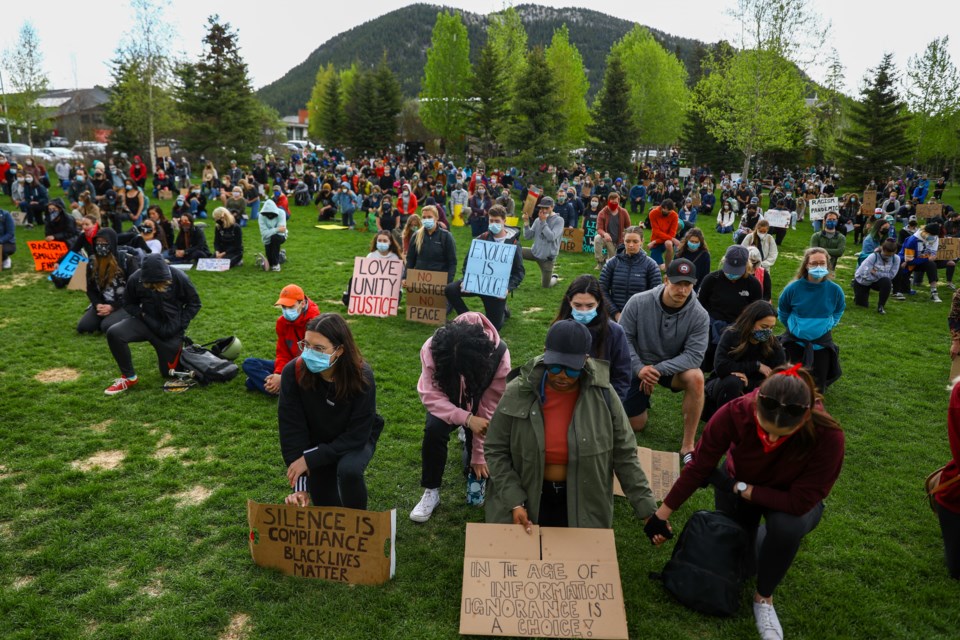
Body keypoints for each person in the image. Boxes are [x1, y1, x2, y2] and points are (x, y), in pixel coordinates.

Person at [648, 365, 844, 640]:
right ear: (755, 409)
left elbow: (800, 501)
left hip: (788, 502)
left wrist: (739, 488)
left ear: (806, 417)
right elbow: (699, 466)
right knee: (745, 565)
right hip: (738, 487)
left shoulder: (829, 436)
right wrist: (661, 514)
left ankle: (763, 599)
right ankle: (760, 542)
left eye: (782, 434)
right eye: (766, 431)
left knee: (785, 529)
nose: (772, 439)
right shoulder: (735, 411)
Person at [484, 319, 657, 530]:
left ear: (585, 360)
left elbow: (625, 454)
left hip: (583, 500)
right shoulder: (518, 391)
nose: (563, 376)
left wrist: (647, 510)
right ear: (545, 352)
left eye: (572, 370)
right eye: (555, 367)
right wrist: (514, 500)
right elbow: (495, 449)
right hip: (528, 496)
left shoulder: (604, 395)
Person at [410, 313, 510, 523]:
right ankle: (431, 491)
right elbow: (429, 394)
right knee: (434, 429)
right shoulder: (433, 348)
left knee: (475, 467)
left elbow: (489, 407)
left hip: (479, 401)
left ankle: (469, 446)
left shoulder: (499, 356)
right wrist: (465, 418)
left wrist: (479, 455)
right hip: (447, 401)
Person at [279, 313, 382, 509]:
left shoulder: (362, 377)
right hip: (318, 440)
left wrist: (312, 458)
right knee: (325, 505)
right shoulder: (292, 373)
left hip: (355, 438)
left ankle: (358, 523)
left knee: (349, 471)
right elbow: (291, 430)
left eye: (318, 348)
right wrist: (300, 486)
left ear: (340, 350)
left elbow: (357, 434)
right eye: (306, 345)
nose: (309, 353)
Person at [619, 258, 709, 461]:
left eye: (688, 284)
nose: (683, 290)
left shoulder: (700, 315)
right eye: (678, 283)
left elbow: (695, 355)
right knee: (636, 424)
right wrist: (639, 368)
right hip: (638, 365)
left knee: (696, 377)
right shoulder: (638, 301)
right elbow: (623, 339)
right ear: (666, 279)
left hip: (671, 368)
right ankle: (641, 403)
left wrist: (656, 370)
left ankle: (688, 445)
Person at [103, 254, 202, 395]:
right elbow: (128, 303)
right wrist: (142, 315)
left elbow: (195, 303)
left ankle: (177, 349)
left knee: (169, 374)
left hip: (170, 328)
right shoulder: (135, 278)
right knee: (114, 332)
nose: (157, 287)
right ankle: (129, 377)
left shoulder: (179, 277)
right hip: (145, 322)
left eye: (160, 284)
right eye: (152, 285)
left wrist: (180, 324)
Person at [445, 205, 524, 330]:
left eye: (497, 221)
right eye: (491, 220)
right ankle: (467, 319)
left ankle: (503, 310)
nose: (493, 224)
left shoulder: (513, 243)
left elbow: (519, 272)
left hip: (496, 290)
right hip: (476, 284)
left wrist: (507, 288)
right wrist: (467, 280)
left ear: (504, 221)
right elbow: (468, 263)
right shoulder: (481, 239)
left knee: (494, 327)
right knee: (450, 289)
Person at [554, 276, 632, 401]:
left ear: (599, 303)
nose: (583, 311)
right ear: (569, 302)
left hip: (601, 398)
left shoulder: (615, 332)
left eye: (590, 306)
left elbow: (622, 375)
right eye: (577, 305)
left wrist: (611, 406)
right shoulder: (559, 328)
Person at [778, 247, 845, 392]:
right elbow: (783, 311)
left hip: (821, 343)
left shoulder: (835, 290)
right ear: (806, 265)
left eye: (822, 263)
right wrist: (794, 327)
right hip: (795, 341)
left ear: (828, 264)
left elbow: (839, 309)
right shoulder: (793, 289)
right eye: (814, 263)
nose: (818, 266)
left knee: (817, 386)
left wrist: (830, 324)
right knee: (790, 382)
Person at [705, 300, 785, 415]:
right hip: (723, 385)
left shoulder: (774, 346)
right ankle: (723, 423)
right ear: (750, 322)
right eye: (764, 326)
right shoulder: (731, 335)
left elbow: (778, 380)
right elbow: (721, 367)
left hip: (755, 389)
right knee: (733, 382)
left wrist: (750, 384)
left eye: (771, 328)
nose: (768, 331)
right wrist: (755, 366)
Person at [242, 284, 321, 396]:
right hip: (290, 364)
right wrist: (279, 373)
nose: (286, 311)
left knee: (251, 382)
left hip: (309, 367)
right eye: (284, 307)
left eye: (290, 307)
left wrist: (282, 375)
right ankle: (278, 387)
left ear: (302, 304)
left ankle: (267, 385)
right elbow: (282, 353)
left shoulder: (315, 323)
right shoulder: (282, 323)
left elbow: (314, 359)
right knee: (249, 363)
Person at [698, 245, 764, 372]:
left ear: (746, 266)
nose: (732, 274)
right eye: (730, 269)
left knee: (732, 363)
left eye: (737, 271)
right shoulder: (711, 279)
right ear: (724, 262)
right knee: (707, 363)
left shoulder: (753, 284)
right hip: (711, 327)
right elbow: (700, 304)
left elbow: (756, 310)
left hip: (739, 328)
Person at [77, 228, 139, 334]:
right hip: (104, 302)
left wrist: (113, 306)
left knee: (106, 326)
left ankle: (130, 317)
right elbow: (90, 288)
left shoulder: (126, 260)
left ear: (112, 243)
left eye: (104, 242)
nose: (101, 245)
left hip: (125, 303)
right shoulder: (92, 262)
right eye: (98, 242)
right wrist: (97, 304)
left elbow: (135, 291)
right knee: (84, 326)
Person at [598, 225, 661, 321]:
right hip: (614, 318)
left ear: (642, 241)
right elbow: (602, 290)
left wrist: (639, 316)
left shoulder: (651, 265)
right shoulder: (612, 263)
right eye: (627, 241)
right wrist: (615, 313)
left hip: (641, 319)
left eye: (635, 241)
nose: (631, 245)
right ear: (623, 241)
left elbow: (655, 295)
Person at [405, 205, 457, 284]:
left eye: (429, 217)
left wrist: (448, 282)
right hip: (419, 280)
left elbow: (452, 262)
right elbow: (410, 260)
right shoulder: (416, 236)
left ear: (436, 218)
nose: (426, 220)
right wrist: (405, 277)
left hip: (439, 280)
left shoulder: (446, 236)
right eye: (424, 217)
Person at [522, 196, 564, 288]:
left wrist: (543, 222)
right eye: (542, 208)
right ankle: (513, 277)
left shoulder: (559, 220)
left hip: (547, 258)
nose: (544, 210)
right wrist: (526, 223)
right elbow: (528, 236)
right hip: (534, 252)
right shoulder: (538, 220)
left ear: (552, 207)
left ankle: (554, 277)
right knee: (514, 251)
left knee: (546, 285)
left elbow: (551, 237)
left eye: (546, 208)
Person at [896, 222, 942, 302]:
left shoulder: (935, 238)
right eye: (931, 235)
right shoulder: (912, 240)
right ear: (925, 232)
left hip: (920, 261)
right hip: (906, 263)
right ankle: (897, 284)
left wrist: (931, 257)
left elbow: (933, 253)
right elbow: (909, 261)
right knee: (904, 290)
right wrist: (927, 259)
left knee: (932, 265)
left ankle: (934, 292)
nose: (933, 238)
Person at [854, 238, 900, 314]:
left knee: (887, 281)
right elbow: (864, 273)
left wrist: (875, 273)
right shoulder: (873, 256)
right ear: (883, 249)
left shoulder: (896, 259)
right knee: (861, 305)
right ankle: (858, 296)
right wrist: (876, 276)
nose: (887, 256)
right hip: (863, 281)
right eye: (886, 254)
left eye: (890, 255)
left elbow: (891, 275)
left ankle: (881, 306)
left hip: (878, 280)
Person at [593, 192, 631, 269]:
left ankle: (608, 259)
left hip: (619, 241)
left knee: (613, 263)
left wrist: (626, 235)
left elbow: (628, 227)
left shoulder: (623, 212)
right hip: (607, 239)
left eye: (615, 201)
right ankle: (600, 261)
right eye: (612, 201)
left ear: (618, 201)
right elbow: (599, 228)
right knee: (597, 238)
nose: (614, 203)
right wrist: (604, 234)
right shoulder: (602, 213)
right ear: (608, 201)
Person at [257, 199, 287, 272]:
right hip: (267, 239)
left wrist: (271, 231)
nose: (269, 216)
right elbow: (264, 233)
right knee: (270, 261)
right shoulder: (261, 216)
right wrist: (276, 229)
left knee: (275, 238)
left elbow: (281, 232)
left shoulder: (281, 213)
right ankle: (281, 256)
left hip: (280, 236)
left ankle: (276, 264)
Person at [646, 198, 679, 267]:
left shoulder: (675, 216)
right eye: (664, 210)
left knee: (669, 243)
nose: (666, 212)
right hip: (656, 240)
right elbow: (656, 231)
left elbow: (672, 234)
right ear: (661, 207)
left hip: (662, 241)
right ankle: (669, 264)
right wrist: (672, 239)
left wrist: (654, 242)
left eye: (669, 211)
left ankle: (668, 266)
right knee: (655, 266)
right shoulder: (653, 213)